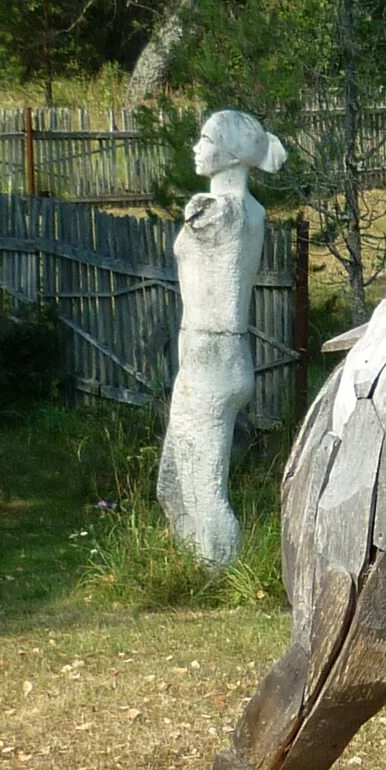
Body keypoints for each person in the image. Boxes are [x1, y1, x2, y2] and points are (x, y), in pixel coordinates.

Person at [157, 110, 282, 567]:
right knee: (174, 480)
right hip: (226, 353)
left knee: (200, 486)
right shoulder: (252, 211)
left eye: (205, 139)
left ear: (230, 155)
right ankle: (196, 564)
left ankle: (220, 571)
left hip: (209, 353)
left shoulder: (211, 209)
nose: (196, 147)